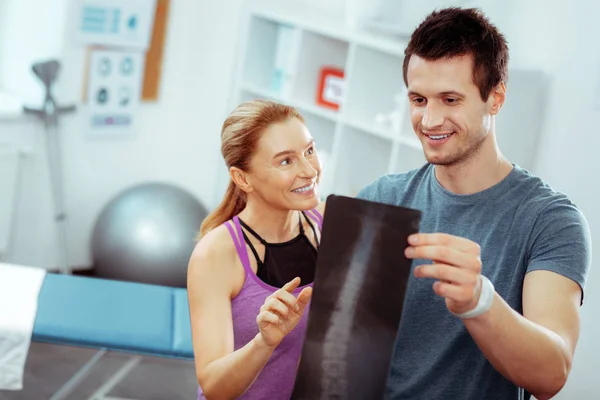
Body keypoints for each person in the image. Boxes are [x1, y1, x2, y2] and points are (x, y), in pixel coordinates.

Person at [356, 7, 591, 400]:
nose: (429, 119)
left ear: (495, 97)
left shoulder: (550, 221)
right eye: (418, 99)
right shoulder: (382, 199)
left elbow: (552, 373)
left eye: (450, 99)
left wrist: (479, 300)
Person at [187, 99, 326, 399]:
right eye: (286, 161)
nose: (309, 170)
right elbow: (214, 387)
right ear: (243, 179)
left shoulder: (327, 224)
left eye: (310, 151)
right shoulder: (216, 255)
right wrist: (264, 342)